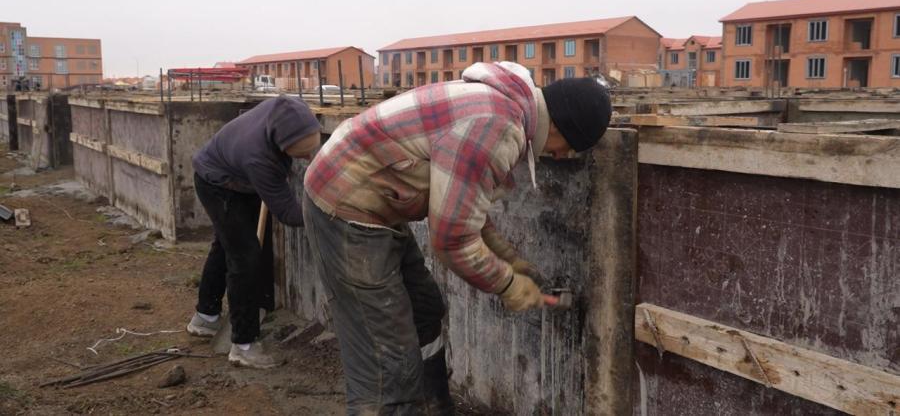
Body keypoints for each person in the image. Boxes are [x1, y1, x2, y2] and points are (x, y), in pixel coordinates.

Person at [302, 62, 612, 414]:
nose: (559, 155)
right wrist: (509, 285)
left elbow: (464, 202)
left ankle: (434, 406)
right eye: (568, 147)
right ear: (559, 126)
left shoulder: (505, 108)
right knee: (387, 362)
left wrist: (507, 256)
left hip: (375, 200)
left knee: (424, 310)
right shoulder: (496, 128)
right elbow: (451, 240)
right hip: (346, 205)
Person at [187, 95, 321, 369]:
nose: (309, 159)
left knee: (227, 246)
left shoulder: (293, 110)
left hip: (236, 172)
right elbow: (288, 213)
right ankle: (244, 345)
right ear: (281, 146)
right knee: (245, 257)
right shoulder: (259, 159)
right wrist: (325, 212)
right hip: (218, 183)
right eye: (302, 155)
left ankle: (206, 317)